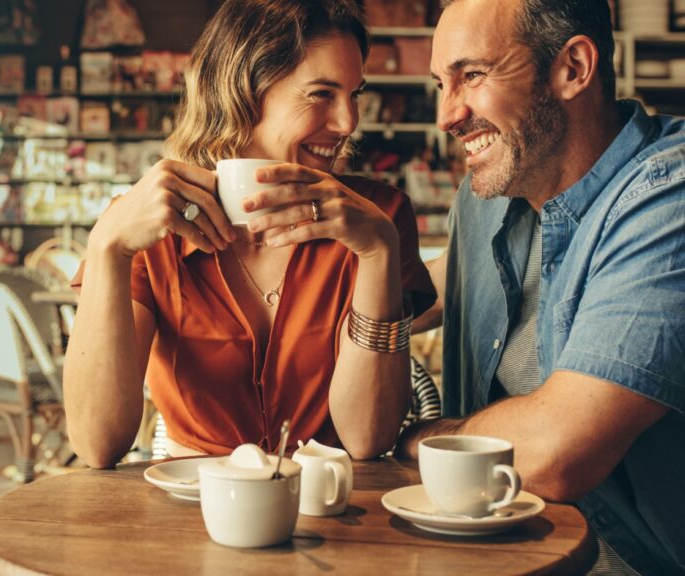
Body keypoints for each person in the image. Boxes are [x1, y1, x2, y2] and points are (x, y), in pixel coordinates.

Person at [400, 0, 685, 574]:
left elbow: (555, 455)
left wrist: (428, 437)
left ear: (573, 68)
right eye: (441, 82)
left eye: (472, 75)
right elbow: (435, 289)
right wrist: (353, 255)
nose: (446, 114)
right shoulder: (492, 198)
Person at [64, 0, 435, 468]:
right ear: (243, 92)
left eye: (354, 94)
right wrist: (105, 248)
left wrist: (379, 253)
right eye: (322, 93)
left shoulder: (377, 220)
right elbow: (97, 444)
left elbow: (366, 438)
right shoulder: (146, 227)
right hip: (190, 511)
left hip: (335, 517)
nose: (348, 122)